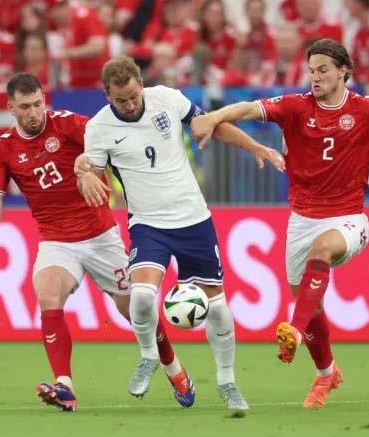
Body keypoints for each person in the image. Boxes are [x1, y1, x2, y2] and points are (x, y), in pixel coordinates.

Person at [190, 38, 369, 409]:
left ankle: (293, 330)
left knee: (322, 251)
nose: (315, 77)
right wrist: (214, 117)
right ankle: (327, 373)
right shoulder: (295, 107)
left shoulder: (368, 110)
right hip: (301, 219)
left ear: (344, 71)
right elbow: (247, 108)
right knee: (311, 305)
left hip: (349, 218)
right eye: (312, 70)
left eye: (323, 70)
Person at [74, 55, 280, 411]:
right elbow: (89, 171)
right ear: (107, 95)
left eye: (134, 96)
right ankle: (148, 356)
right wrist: (85, 178)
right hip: (148, 224)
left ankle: (227, 382)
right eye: (121, 100)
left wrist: (255, 146)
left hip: (193, 219)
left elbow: (209, 124)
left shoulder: (167, 99)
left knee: (217, 308)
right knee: (140, 297)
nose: (130, 104)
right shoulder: (99, 128)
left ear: (141, 85)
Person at [0, 73, 179, 412]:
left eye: (38, 104)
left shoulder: (67, 124)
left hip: (101, 236)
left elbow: (104, 144)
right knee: (47, 294)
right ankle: (64, 386)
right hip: (56, 240)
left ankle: (174, 369)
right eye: (25, 107)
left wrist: (87, 170)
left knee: (137, 310)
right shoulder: (2, 148)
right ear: (11, 108)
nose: (34, 113)